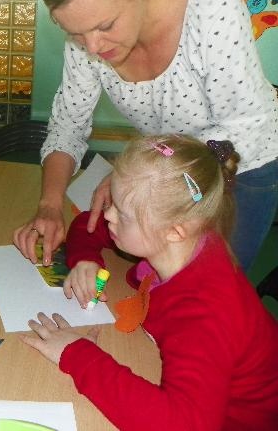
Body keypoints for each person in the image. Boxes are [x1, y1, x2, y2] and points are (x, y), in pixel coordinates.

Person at [13, 0, 278, 273]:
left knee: (211, 281)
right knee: (158, 277)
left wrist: (141, 175)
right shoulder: (87, 39)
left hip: (243, 164)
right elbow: (68, 126)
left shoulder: (212, 10)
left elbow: (243, 126)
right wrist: (50, 205)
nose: (92, 47)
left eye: (106, 26)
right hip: (163, 166)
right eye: (75, 33)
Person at [20, 134, 278, 430]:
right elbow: (88, 225)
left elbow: (183, 425)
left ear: (174, 231)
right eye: (112, 201)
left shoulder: (205, 313)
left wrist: (78, 356)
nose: (108, 214)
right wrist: (86, 260)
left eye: (122, 213)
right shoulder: (186, 239)